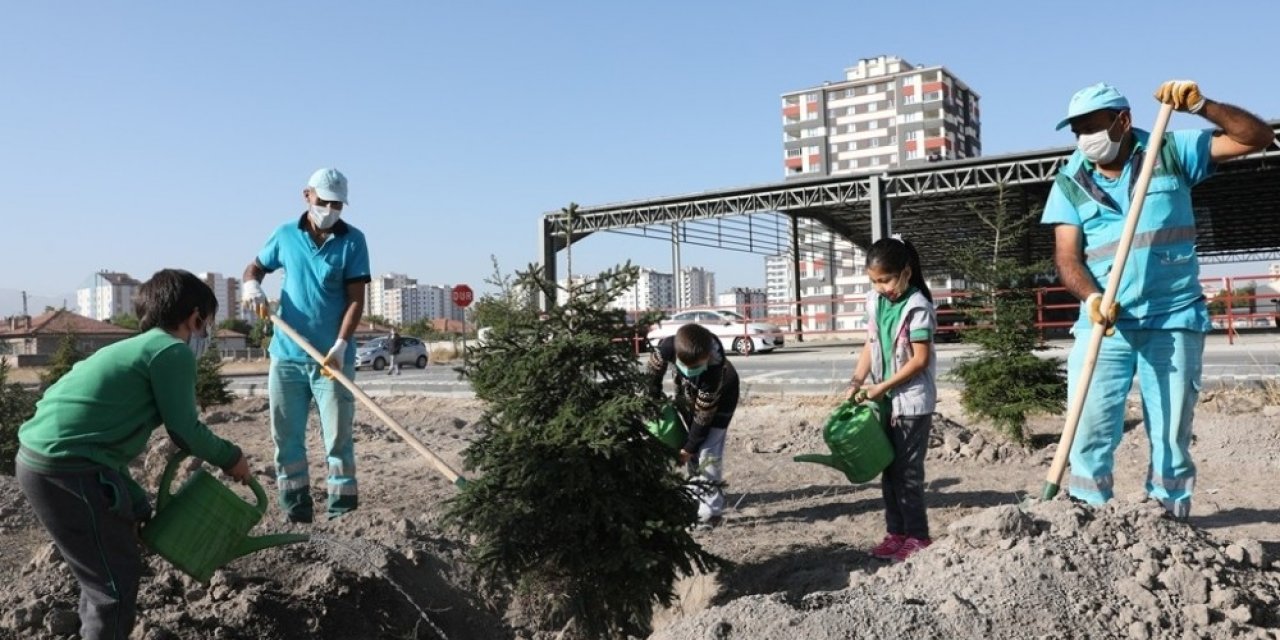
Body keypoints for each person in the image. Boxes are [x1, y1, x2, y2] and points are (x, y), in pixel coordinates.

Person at [1041, 81, 1273, 518]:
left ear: (1123, 120)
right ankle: (1088, 517)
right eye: (1077, 130)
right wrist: (1092, 298)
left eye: (1092, 127)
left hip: (1173, 318)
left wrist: (1203, 106)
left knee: (1170, 431)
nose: (1084, 138)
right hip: (1105, 322)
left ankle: (1168, 518)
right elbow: (1067, 257)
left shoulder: (1169, 150)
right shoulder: (1070, 180)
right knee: (1088, 427)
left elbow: (1255, 138)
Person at [15, 269, 251, 640]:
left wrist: (137, 505)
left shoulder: (133, 348)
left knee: (104, 575)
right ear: (195, 317)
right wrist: (232, 457)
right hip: (67, 468)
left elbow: (101, 443)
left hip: (52, 461)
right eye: (207, 324)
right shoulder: (171, 351)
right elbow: (185, 431)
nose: (205, 334)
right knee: (113, 585)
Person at [241, 167, 371, 523]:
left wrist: (341, 344)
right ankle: (296, 509)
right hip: (287, 357)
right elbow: (255, 267)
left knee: (338, 440)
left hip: (332, 360)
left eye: (337, 204)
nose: (330, 209)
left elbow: (356, 300)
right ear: (307, 196)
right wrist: (252, 286)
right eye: (324, 201)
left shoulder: (353, 241)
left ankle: (342, 514)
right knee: (286, 439)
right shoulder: (285, 235)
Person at [846, 237, 937, 562]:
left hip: (911, 403)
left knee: (908, 472)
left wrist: (882, 386)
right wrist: (857, 381)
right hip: (885, 400)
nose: (880, 287)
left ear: (906, 272)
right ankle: (896, 533)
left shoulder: (918, 307)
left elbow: (920, 360)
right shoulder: (876, 302)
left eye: (885, 280)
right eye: (874, 281)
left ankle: (918, 536)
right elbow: (870, 344)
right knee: (888, 468)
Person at [646, 323, 740, 528]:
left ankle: (710, 513)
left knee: (707, 451)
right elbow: (651, 374)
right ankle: (696, 495)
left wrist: (689, 447)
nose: (690, 371)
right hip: (688, 396)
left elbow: (703, 417)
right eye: (685, 366)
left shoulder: (714, 369)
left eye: (696, 366)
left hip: (722, 400)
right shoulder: (667, 347)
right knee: (694, 448)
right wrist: (654, 401)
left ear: (707, 357)